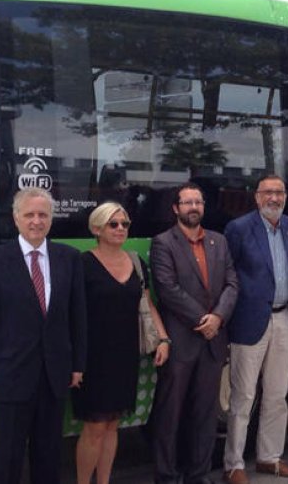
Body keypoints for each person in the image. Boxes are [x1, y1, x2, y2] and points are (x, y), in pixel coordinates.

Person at [0, 187, 87, 484]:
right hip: (9, 376)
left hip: (54, 376)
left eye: (43, 214)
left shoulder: (69, 258)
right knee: (5, 458)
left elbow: (78, 317)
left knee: (48, 457)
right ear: (16, 218)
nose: (36, 221)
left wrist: (77, 365)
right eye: (29, 214)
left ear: (51, 219)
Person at [72, 202, 170, 484]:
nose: (120, 229)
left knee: (113, 425)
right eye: (113, 224)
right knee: (94, 427)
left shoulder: (136, 261)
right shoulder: (82, 264)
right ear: (96, 229)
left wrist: (163, 338)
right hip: (93, 358)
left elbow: (147, 304)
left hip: (125, 356)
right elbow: (72, 314)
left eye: (124, 224)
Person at [150, 183, 239, 484]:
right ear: (175, 208)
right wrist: (204, 319)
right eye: (187, 203)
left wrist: (218, 317)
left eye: (198, 202)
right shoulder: (163, 243)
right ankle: (167, 475)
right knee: (170, 414)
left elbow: (232, 284)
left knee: (205, 414)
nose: (193, 208)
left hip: (213, 341)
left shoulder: (219, 241)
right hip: (182, 339)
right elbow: (167, 288)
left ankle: (198, 474)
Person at [222, 175, 288, 484]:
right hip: (249, 320)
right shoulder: (239, 229)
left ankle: (269, 457)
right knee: (242, 397)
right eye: (268, 192)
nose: (274, 198)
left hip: (285, 319)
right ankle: (234, 463)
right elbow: (228, 276)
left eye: (280, 192)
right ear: (256, 197)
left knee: (278, 395)